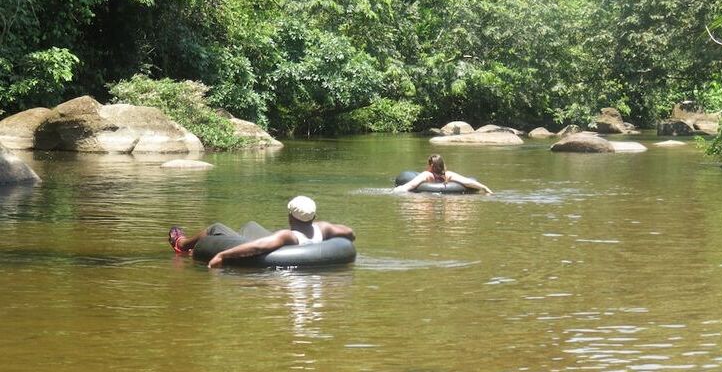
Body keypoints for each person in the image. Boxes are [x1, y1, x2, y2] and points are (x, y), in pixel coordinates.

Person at [168, 196, 356, 268]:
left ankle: (182, 244)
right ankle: (231, 238)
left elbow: (258, 247)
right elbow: (350, 233)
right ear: (314, 217)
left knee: (215, 228)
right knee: (250, 225)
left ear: (291, 217)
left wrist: (223, 255)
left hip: (280, 253)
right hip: (307, 249)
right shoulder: (323, 228)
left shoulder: (287, 236)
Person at [392, 154, 493, 194]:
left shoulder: (427, 175)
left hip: (428, 199)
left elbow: (410, 185)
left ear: (430, 165)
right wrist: (485, 188)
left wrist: (395, 190)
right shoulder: (448, 174)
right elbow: (467, 182)